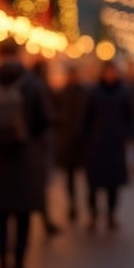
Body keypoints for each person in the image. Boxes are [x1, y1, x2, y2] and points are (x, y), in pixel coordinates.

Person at [0, 38, 53, 268]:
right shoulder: (32, 84)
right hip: (25, 158)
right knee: (22, 215)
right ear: (19, 54)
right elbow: (44, 119)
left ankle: (0, 265)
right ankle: (19, 265)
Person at [83, 61, 134, 231]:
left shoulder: (123, 92)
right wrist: (86, 137)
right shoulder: (94, 92)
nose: (110, 75)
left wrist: (127, 135)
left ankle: (111, 215)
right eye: (108, 71)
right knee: (93, 183)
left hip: (115, 144)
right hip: (96, 144)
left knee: (113, 184)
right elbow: (86, 117)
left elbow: (129, 116)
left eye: (113, 71)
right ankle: (93, 215)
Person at [30, 58, 62, 236]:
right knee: (41, 184)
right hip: (38, 146)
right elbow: (47, 117)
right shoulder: (39, 88)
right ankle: (45, 220)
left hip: (25, 148)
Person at [55, 62, 90, 222]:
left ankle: (87, 206)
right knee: (69, 176)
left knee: (84, 176)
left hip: (80, 142)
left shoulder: (83, 93)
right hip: (68, 141)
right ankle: (73, 203)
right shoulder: (62, 93)